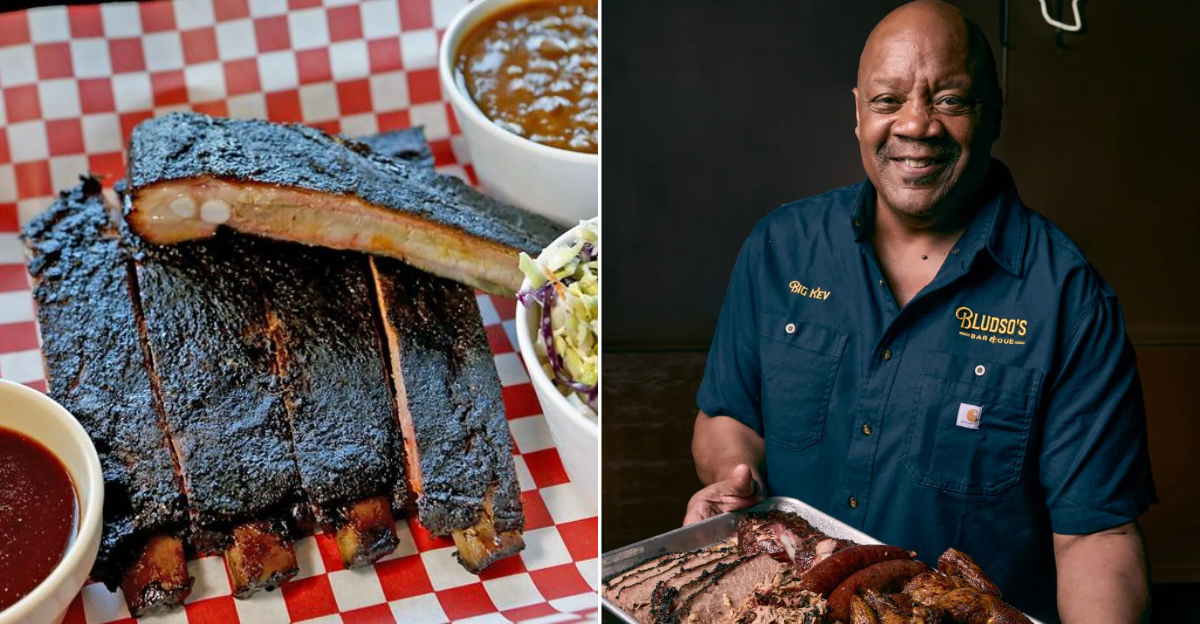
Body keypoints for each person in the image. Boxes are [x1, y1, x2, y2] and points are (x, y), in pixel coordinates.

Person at [687, 2, 1156, 622]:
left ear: (993, 112)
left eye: (950, 100)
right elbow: (727, 416)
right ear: (858, 112)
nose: (916, 125)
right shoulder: (781, 247)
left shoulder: (1067, 298)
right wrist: (733, 480)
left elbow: (1098, 535)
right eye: (888, 101)